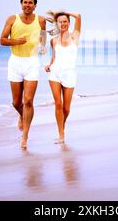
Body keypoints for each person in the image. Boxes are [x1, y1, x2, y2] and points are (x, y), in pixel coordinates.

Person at [0, 0, 46, 149]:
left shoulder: (40, 20)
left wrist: (43, 45)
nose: (27, 5)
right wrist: (17, 41)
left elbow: (43, 34)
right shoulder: (12, 19)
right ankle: (22, 116)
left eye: (30, 2)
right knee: (16, 102)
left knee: (28, 101)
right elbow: (2, 40)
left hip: (32, 62)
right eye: (25, 2)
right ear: (21, 4)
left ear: (35, 5)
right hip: (15, 62)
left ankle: (25, 136)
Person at [45, 10, 81, 144]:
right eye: (60, 22)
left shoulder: (75, 37)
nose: (63, 23)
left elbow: (78, 16)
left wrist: (63, 12)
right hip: (55, 73)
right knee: (58, 104)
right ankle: (61, 135)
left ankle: (62, 127)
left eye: (65, 21)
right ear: (57, 24)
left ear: (69, 23)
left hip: (70, 74)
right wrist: (49, 65)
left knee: (66, 108)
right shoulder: (53, 40)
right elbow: (54, 57)